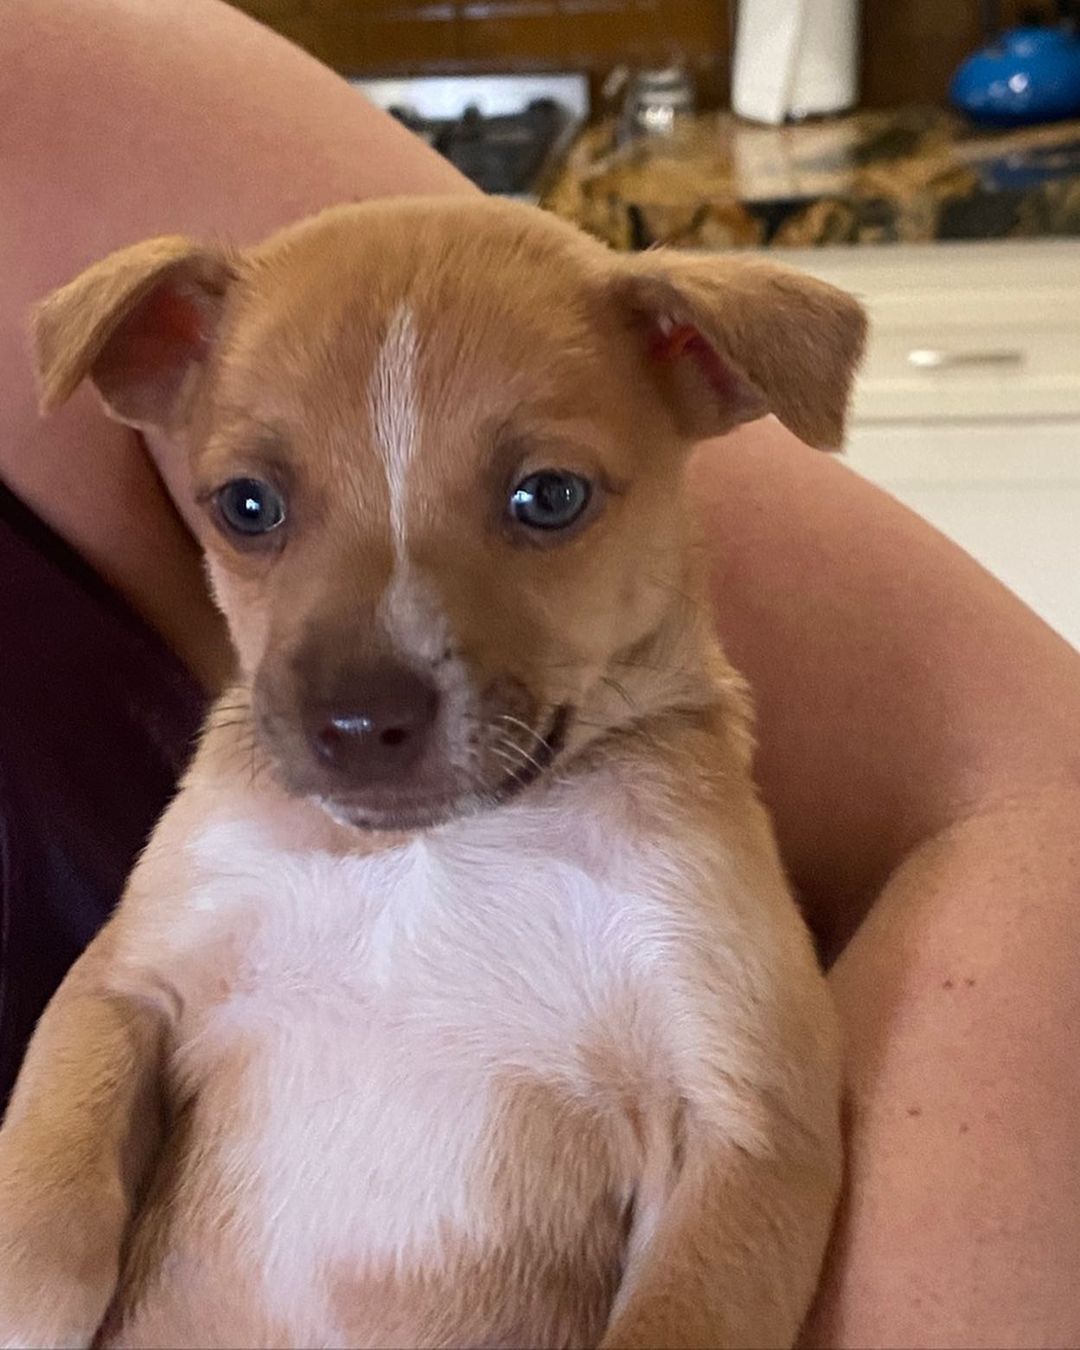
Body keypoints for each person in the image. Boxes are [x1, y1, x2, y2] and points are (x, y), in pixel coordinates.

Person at [2, 1, 1079, 1344]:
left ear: (708, 370)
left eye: (542, 500)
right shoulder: (244, 784)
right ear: (156, 366)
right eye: (258, 514)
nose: (367, 687)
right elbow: (122, 997)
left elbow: (752, 1151)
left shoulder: (675, 835)